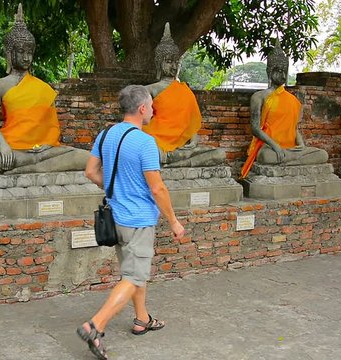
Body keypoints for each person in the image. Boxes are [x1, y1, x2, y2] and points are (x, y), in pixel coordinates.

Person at [78, 85, 185, 360]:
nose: (153, 110)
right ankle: (95, 325)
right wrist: (173, 221)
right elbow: (157, 189)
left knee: (134, 271)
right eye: (151, 105)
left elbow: (91, 171)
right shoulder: (145, 142)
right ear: (141, 109)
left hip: (116, 217)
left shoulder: (106, 135)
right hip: (138, 220)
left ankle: (142, 319)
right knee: (134, 276)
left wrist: (119, 189)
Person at [0, 4, 88, 174]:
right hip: (15, 149)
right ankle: (37, 167)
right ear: (9, 53)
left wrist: (46, 146)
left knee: (87, 158)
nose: (26, 57)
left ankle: (28, 169)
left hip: (45, 151)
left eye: (30, 52)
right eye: (21, 51)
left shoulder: (44, 88)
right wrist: (4, 145)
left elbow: (52, 127)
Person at [240, 39, 327, 178]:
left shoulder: (292, 99)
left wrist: (302, 145)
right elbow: (255, 129)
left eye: (284, 71)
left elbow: (294, 129)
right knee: (267, 157)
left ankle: (290, 159)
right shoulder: (259, 96)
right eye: (278, 71)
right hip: (269, 147)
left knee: (322, 155)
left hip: (291, 148)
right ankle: (292, 160)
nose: (283, 75)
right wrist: (275, 146)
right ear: (269, 71)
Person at [143, 23, 225, 167]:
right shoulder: (149, 90)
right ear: (159, 63)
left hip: (181, 146)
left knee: (220, 154)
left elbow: (190, 121)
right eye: (169, 62)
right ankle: (176, 161)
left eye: (176, 62)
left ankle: (180, 164)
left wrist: (194, 139)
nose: (174, 67)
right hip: (158, 144)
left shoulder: (184, 90)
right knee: (150, 152)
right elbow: (141, 122)